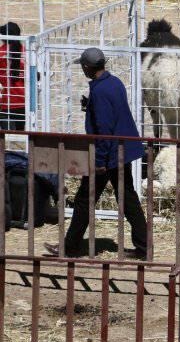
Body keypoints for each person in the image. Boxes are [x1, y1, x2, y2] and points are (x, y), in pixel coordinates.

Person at [46, 48, 147, 259]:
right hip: (122, 149)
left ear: (87, 67)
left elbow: (104, 129)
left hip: (108, 155)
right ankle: (145, 247)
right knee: (128, 199)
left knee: (85, 199)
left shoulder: (100, 91)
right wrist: (91, 106)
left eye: (83, 67)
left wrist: (99, 160)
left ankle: (70, 247)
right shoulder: (114, 82)